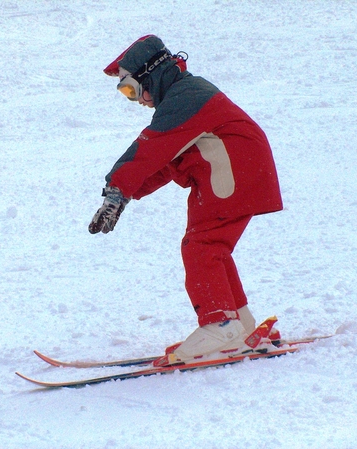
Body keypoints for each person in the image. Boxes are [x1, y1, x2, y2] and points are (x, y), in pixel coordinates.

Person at [89, 35, 283, 365]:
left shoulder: (186, 98)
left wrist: (116, 191)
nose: (135, 101)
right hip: (238, 171)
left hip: (233, 173)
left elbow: (149, 149)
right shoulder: (185, 100)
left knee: (201, 247)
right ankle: (239, 324)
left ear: (152, 75)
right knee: (213, 248)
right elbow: (165, 162)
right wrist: (125, 194)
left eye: (132, 89)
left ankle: (220, 325)